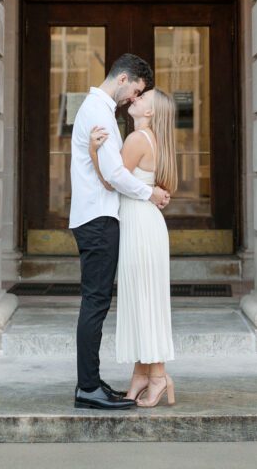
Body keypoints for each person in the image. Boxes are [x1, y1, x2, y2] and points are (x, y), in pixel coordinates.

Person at [70, 54, 170, 411]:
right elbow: (113, 174)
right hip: (97, 219)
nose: (134, 98)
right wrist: (150, 192)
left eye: (140, 95)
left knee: (97, 302)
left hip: (100, 217)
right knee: (95, 302)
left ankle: (94, 383)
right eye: (137, 90)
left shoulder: (101, 110)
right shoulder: (98, 111)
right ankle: (87, 387)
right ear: (125, 78)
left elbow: (110, 170)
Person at [90, 87, 177, 408]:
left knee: (142, 301)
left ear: (150, 112)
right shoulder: (154, 139)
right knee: (145, 301)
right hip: (146, 222)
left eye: (142, 99)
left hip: (139, 225)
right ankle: (142, 374)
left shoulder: (137, 139)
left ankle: (156, 377)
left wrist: (93, 151)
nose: (135, 99)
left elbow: (112, 181)